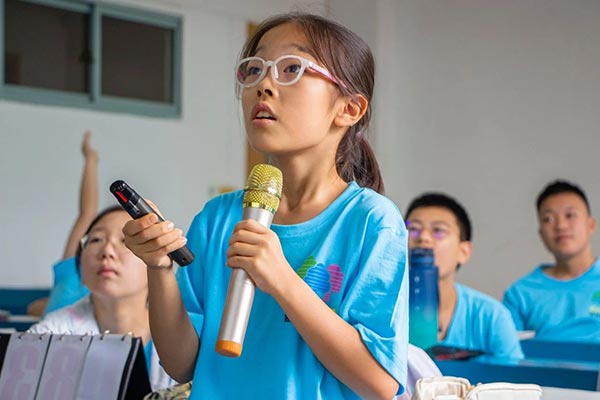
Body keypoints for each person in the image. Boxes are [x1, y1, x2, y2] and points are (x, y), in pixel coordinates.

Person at [123, 12, 408, 399]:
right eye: (254, 69)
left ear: (349, 109)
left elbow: (379, 383)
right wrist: (159, 268)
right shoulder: (217, 218)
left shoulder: (372, 222)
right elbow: (181, 364)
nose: (264, 85)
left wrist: (284, 281)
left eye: (292, 68)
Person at [29, 206, 176, 391]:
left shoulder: (184, 335)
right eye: (96, 239)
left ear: (155, 260)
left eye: (125, 241)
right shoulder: (49, 334)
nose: (107, 251)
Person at [405, 193, 523, 359]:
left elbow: (513, 373)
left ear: (464, 251)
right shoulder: (382, 309)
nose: (423, 238)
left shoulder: (492, 317)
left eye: (438, 231)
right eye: (413, 229)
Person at [503, 180, 600, 342]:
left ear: (591, 225)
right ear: (541, 234)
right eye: (548, 219)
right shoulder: (520, 294)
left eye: (570, 215)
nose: (561, 226)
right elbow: (510, 352)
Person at [27, 131, 95, 316]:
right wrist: (90, 160)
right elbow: (87, 213)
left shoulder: (70, 281)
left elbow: (87, 213)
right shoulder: (71, 279)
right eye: (97, 239)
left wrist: (90, 160)